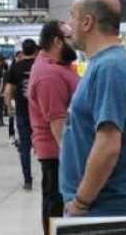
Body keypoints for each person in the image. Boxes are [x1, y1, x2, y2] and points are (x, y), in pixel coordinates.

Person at [61, 0, 126, 217]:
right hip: (100, 205)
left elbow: (108, 145)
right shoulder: (105, 64)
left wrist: (81, 201)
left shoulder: (110, 68)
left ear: (87, 22)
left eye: (72, 16)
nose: (69, 24)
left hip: (102, 208)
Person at [28, 21, 80, 234]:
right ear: (58, 42)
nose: (74, 41)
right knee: (56, 206)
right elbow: (58, 125)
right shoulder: (49, 75)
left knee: (55, 204)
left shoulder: (57, 66)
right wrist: (73, 160)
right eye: (70, 37)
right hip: (58, 154)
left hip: (59, 153)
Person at [6, 39, 39, 190]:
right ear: (36, 50)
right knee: (46, 146)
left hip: (22, 112)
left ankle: (28, 180)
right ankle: (51, 178)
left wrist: (9, 108)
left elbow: (8, 92)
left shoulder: (15, 68)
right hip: (41, 113)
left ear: (23, 51)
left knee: (24, 147)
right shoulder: (41, 66)